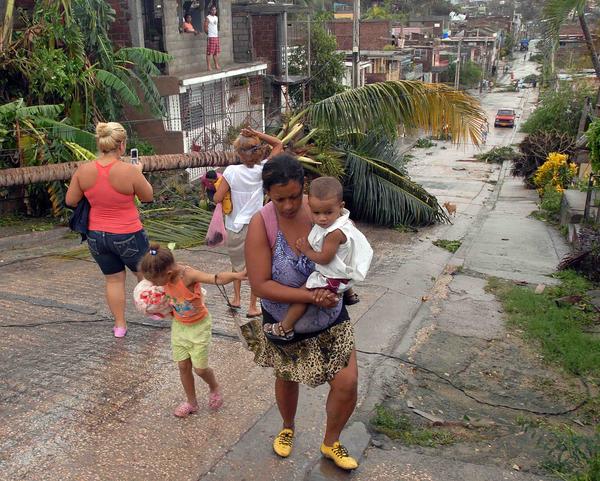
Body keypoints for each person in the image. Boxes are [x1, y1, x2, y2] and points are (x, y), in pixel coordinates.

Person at [241, 153, 360, 471]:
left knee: (347, 383)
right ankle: (287, 427)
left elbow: (349, 247)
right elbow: (260, 284)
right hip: (285, 321)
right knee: (287, 377)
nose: (290, 205)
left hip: (331, 317)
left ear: (304, 187)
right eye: (280, 199)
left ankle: (331, 441)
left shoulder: (323, 209)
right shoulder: (261, 223)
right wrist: (308, 296)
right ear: (268, 193)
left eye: (295, 196)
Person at [66, 122, 153, 338]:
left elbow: (71, 200)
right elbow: (147, 196)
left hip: (96, 236)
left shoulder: (83, 170)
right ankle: (154, 312)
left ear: (100, 142)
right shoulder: (129, 171)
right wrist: (138, 172)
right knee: (145, 274)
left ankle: (120, 326)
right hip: (129, 233)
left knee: (113, 279)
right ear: (122, 146)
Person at [139, 243, 246, 417]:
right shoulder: (163, 272)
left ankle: (214, 386)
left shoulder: (187, 275)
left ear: (167, 274)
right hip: (179, 326)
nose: (154, 285)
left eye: (155, 282)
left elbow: (216, 278)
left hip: (199, 327)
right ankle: (191, 402)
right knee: (183, 366)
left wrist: (237, 275)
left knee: (200, 369)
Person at [263, 176, 372, 341]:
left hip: (333, 276)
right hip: (345, 272)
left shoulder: (334, 233)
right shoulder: (344, 222)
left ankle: (285, 327)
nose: (322, 218)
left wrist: (306, 250)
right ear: (309, 206)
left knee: (304, 291)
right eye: (316, 213)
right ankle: (349, 294)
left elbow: (324, 259)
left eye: (328, 212)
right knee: (341, 264)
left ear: (341, 206)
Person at [213, 126, 283, 318]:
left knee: (237, 265)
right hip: (257, 226)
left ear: (238, 152)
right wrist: (257, 134)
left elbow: (217, 198)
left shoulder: (231, 172)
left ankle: (236, 299)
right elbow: (278, 144)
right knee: (256, 266)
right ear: (259, 151)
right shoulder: (264, 170)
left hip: (234, 226)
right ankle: (253, 306)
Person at [204, 5, 220, 71]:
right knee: (209, 52)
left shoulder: (216, 17)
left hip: (216, 37)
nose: (214, 11)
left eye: (215, 10)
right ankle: (208, 66)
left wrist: (215, 35)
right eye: (212, 10)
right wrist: (209, 34)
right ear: (210, 10)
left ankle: (216, 65)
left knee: (215, 52)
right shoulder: (208, 18)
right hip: (211, 37)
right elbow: (205, 27)